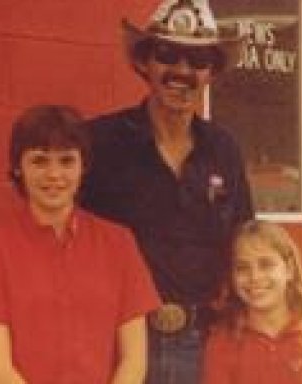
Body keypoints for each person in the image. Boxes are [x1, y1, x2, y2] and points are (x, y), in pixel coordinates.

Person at [80, 0, 254, 383]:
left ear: (212, 72)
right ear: (143, 62)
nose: (182, 71)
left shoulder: (225, 148)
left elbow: (246, 239)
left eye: (198, 60)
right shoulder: (99, 142)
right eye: (167, 55)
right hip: (119, 346)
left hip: (206, 342)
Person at [0, 105, 161, 384]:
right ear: (18, 167)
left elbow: (134, 360)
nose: (54, 175)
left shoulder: (119, 244)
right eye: (39, 161)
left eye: (66, 161)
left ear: (83, 166)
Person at [202, 220, 302, 384]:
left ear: (289, 269)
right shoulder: (222, 343)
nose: (255, 277)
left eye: (266, 265)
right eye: (243, 268)